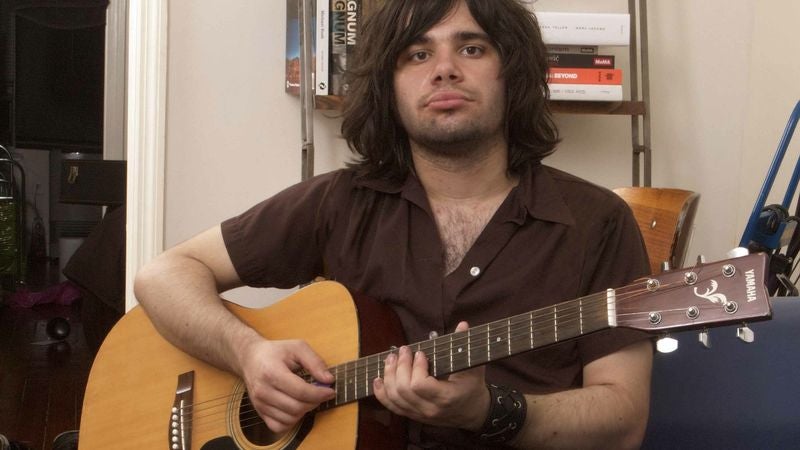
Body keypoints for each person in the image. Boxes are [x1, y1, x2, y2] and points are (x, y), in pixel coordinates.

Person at [134, 0, 653, 448]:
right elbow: (163, 276)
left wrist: (490, 412)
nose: (444, 70)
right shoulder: (340, 202)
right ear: (388, 84)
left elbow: (624, 420)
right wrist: (247, 353)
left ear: (510, 71)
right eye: (417, 54)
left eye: (471, 49)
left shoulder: (597, 222)